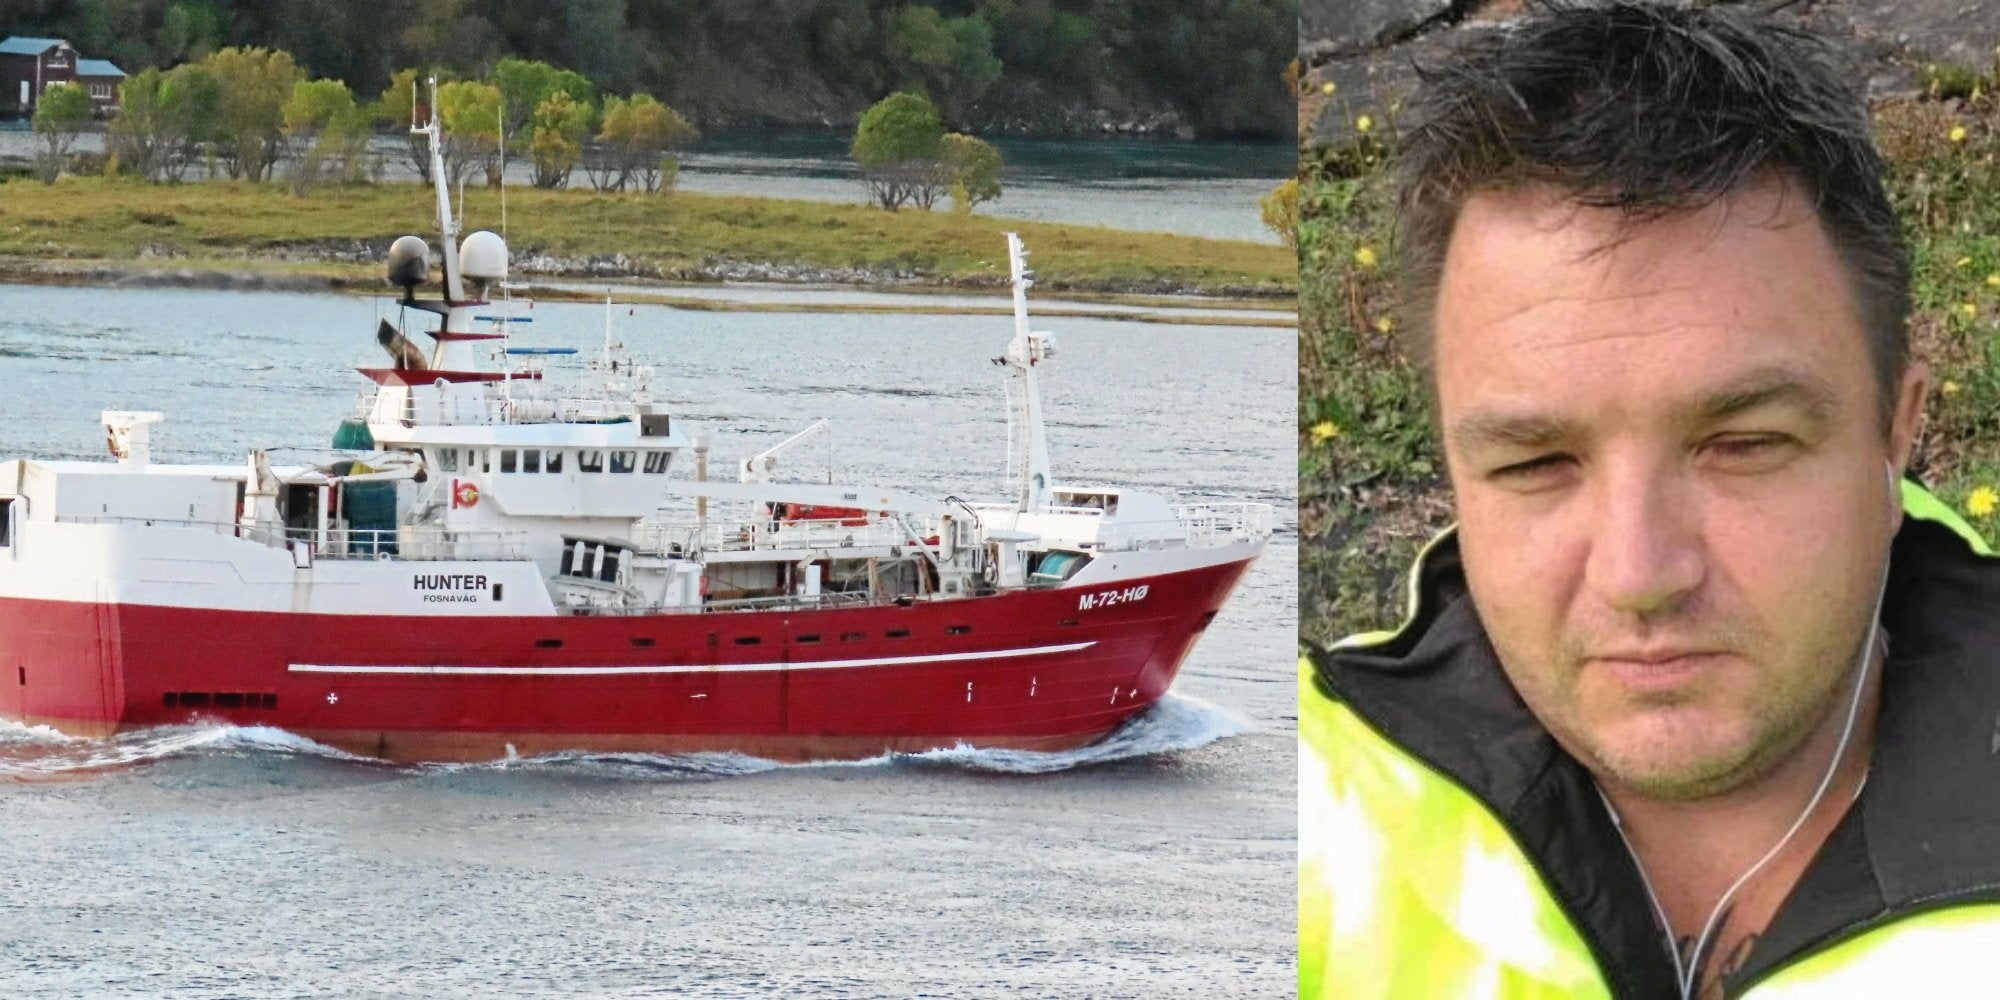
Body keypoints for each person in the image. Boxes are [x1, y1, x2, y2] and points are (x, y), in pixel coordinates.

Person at [1299, 3, 2000, 998]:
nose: (1638, 575)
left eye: (1743, 445)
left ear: (1896, 431)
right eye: (1535, 463)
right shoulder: (1302, 813)